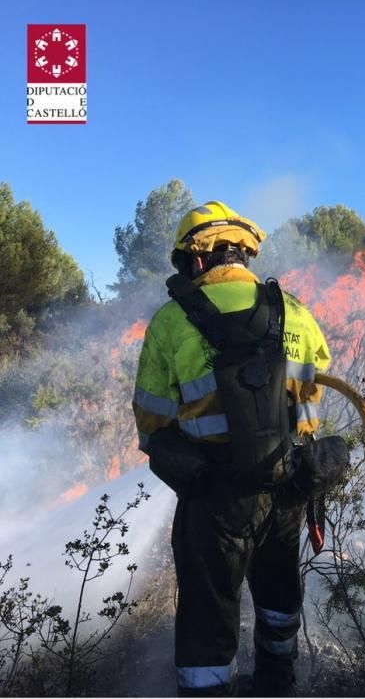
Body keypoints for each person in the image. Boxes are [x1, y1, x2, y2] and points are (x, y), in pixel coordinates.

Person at [133, 201, 333, 696]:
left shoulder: (170, 322)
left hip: (214, 501)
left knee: (207, 618)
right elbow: (310, 411)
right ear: (242, 252)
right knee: (279, 601)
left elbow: (151, 424)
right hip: (285, 492)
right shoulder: (298, 314)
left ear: (196, 259)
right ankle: (276, 682)